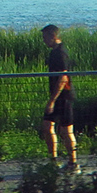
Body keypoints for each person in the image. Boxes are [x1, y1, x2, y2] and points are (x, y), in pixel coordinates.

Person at [41, 24, 78, 172]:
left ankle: (73, 163)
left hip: (64, 97)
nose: (44, 41)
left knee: (66, 130)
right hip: (56, 97)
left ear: (53, 36)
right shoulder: (53, 52)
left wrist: (52, 100)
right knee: (47, 125)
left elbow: (63, 78)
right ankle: (54, 160)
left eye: (45, 37)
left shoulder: (61, 53)